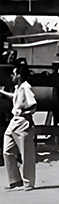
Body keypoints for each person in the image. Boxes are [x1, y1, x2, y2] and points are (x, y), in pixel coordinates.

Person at [1, 60, 36, 190]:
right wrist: (2, 93)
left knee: (26, 153)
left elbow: (33, 103)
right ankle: (15, 180)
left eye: (14, 74)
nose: (12, 76)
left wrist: (23, 108)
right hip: (14, 121)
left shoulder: (26, 87)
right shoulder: (18, 88)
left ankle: (29, 183)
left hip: (23, 121)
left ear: (19, 75)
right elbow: (14, 97)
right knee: (7, 150)